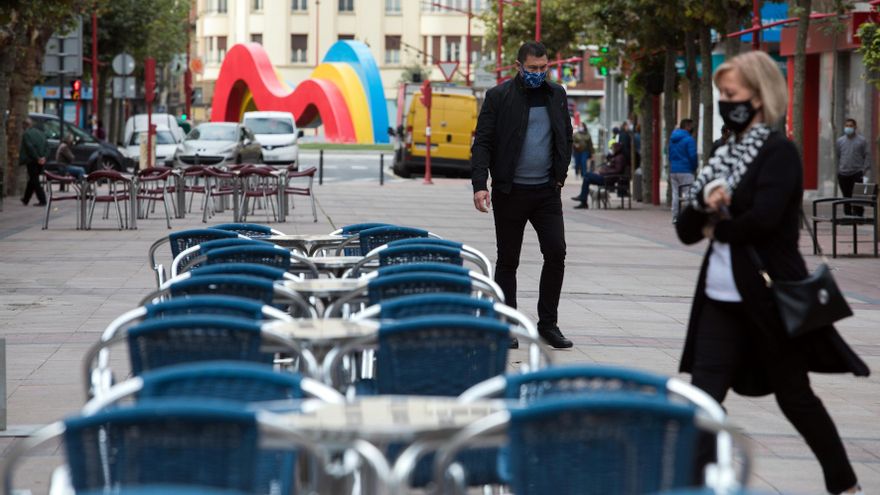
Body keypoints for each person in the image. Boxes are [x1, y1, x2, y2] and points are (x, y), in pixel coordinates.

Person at [676, 51, 868, 495]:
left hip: (768, 299)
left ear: (759, 97)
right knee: (703, 397)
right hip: (719, 300)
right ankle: (695, 485)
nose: (726, 103)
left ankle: (845, 484)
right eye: (722, 95)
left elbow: (762, 221)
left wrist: (716, 219)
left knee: (795, 398)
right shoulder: (724, 153)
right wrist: (707, 207)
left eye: (732, 95)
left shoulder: (779, 152)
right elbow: (687, 229)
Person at [471, 40, 573, 349]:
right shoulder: (499, 96)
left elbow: (564, 137)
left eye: (543, 68)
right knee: (508, 261)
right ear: (518, 67)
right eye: (532, 69)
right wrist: (479, 184)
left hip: (546, 193)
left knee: (556, 253)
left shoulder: (557, 95)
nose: (538, 74)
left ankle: (548, 324)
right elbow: (483, 143)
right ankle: (507, 325)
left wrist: (560, 177)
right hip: (510, 192)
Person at [571, 142, 626, 209]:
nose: (612, 149)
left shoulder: (619, 157)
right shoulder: (616, 157)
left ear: (617, 149)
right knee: (586, 179)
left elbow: (618, 170)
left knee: (587, 174)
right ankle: (583, 202)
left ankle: (582, 198)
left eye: (613, 148)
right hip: (606, 177)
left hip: (607, 179)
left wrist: (602, 172)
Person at [835, 118, 871, 216]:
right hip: (843, 173)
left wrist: (864, 170)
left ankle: (858, 215)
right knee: (846, 196)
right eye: (847, 126)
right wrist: (838, 170)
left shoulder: (862, 141)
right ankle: (847, 215)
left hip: (857, 172)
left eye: (850, 126)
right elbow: (838, 155)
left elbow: (867, 155)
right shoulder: (840, 141)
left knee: (857, 196)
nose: (848, 128)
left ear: (855, 127)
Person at [668, 118, 698, 222]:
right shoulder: (689, 139)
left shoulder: (672, 139)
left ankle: (675, 216)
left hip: (674, 170)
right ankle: (689, 217)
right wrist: (694, 167)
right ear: (687, 126)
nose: (692, 128)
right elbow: (693, 156)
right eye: (691, 126)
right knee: (690, 194)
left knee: (675, 194)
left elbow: (670, 155)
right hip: (686, 170)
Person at [19, 117, 48, 206]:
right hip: (41, 160)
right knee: (32, 179)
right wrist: (44, 157)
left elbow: (30, 147)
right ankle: (26, 199)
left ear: (25, 125)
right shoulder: (41, 133)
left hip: (32, 160)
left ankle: (42, 200)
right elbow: (47, 146)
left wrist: (37, 158)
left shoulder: (27, 134)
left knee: (34, 180)